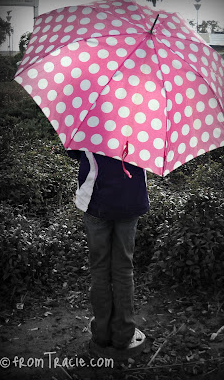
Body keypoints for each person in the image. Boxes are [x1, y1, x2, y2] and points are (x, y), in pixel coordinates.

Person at [67, 149, 149, 358]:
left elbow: (74, 151)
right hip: (131, 198)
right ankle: (123, 334)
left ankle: (102, 333)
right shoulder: (146, 121)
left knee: (99, 268)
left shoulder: (89, 117)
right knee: (123, 268)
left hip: (96, 200)